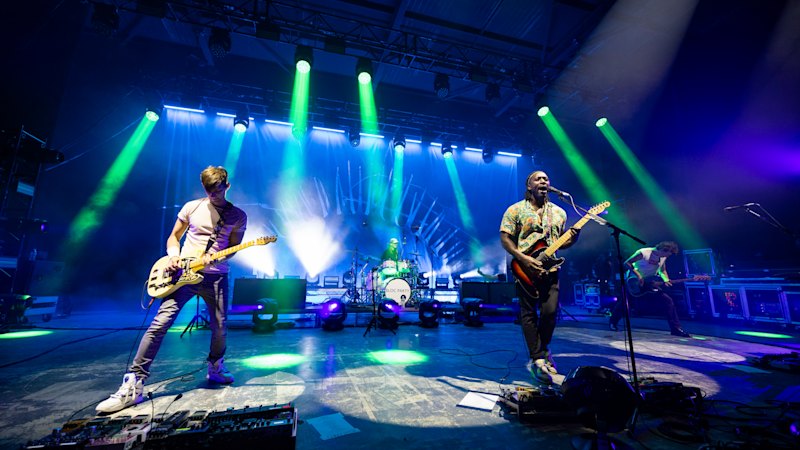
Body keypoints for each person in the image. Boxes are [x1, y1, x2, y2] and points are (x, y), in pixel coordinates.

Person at [96, 166, 248, 413]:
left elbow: (234, 247)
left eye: (218, 192)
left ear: (227, 186)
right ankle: (133, 384)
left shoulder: (238, 216)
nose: (213, 196)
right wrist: (174, 256)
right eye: (209, 192)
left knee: (219, 327)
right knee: (159, 324)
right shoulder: (192, 207)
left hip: (216, 277)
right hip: (182, 275)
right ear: (204, 188)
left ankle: (216, 367)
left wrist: (216, 259)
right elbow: (173, 238)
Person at [500, 170, 580, 385]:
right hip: (524, 267)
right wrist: (523, 258)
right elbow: (506, 238)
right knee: (528, 314)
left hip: (550, 269)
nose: (543, 180)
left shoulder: (559, 212)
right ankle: (538, 358)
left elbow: (561, 243)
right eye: (538, 178)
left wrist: (574, 237)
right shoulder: (515, 210)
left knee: (550, 313)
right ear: (529, 186)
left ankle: (542, 351)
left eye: (546, 178)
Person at [609, 241, 691, 337]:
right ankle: (613, 322)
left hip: (649, 282)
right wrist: (639, 275)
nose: (668, 256)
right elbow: (627, 263)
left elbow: (662, 270)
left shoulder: (663, 257)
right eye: (668, 254)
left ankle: (676, 329)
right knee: (625, 303)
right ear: (663, 250)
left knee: (668, 301)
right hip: (634, 281)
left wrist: (666, 279)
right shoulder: (644, 252)